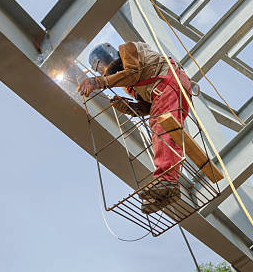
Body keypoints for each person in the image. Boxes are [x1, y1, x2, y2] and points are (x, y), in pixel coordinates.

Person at [77, 42, 192, 214]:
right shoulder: (128, 85)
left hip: (168, 81)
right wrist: (131, 108)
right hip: (169, 89)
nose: (105, 72)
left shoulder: (128, 49)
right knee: (164, 129)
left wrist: (98, 82)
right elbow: (147, 106)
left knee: (160, 126)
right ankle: (168, 189)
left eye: (101, 68)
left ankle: (166, 179)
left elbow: (133, 72)